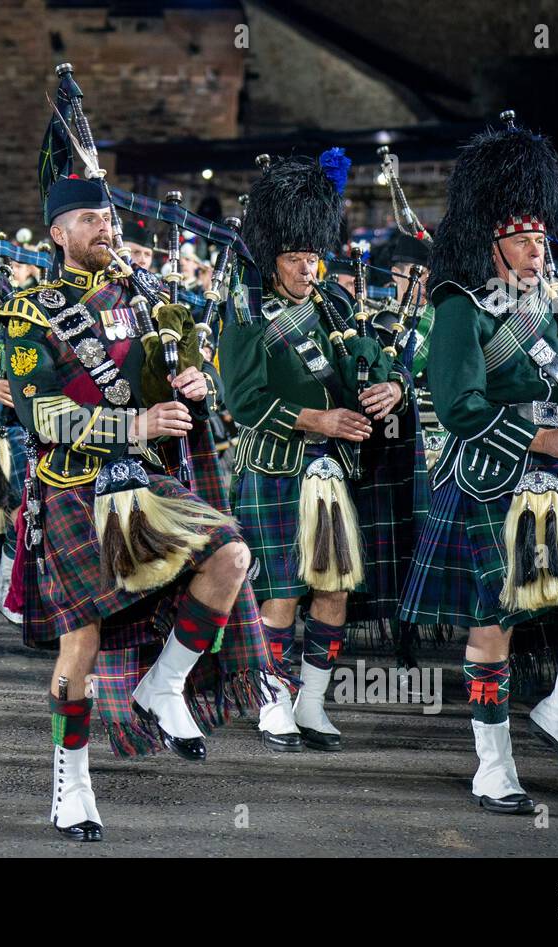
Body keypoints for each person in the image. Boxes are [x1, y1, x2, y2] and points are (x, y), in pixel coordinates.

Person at [0, 176, 256, 840]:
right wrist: (134, 427)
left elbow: (182, 378)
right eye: (90, 218)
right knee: (79, 643)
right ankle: (72, 781)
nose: (106, 227)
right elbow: (43, 413)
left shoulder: (149, 299)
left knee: (231, 553)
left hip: (143, 482)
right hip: (72, 486)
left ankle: (164, 684)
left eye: (109, 216)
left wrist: (197, 385)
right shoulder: (29, 311)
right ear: (59, 234)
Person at [400, 115, 558, 813]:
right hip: (489, 477)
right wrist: (543, 440)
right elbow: (458, 405)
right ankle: (491, 762)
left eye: (541, 237)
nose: (540, 250)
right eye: (527, 239)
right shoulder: (458, 307)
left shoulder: (550, 301)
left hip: (557, 480)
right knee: (492, 622)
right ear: (492, 237)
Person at [222, 151, 411, 752]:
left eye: (313, 257)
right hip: (277, 466)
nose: (308, 268)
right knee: (282, 589)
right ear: (271, 256)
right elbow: (243, 400)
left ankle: (311, 702)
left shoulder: (335, 304)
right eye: (296, 258)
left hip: (336, 469)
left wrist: (392, 387)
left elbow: (376, 363)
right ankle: (271, 702)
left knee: (333, 589)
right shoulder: (246, 311)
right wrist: (318, 418)